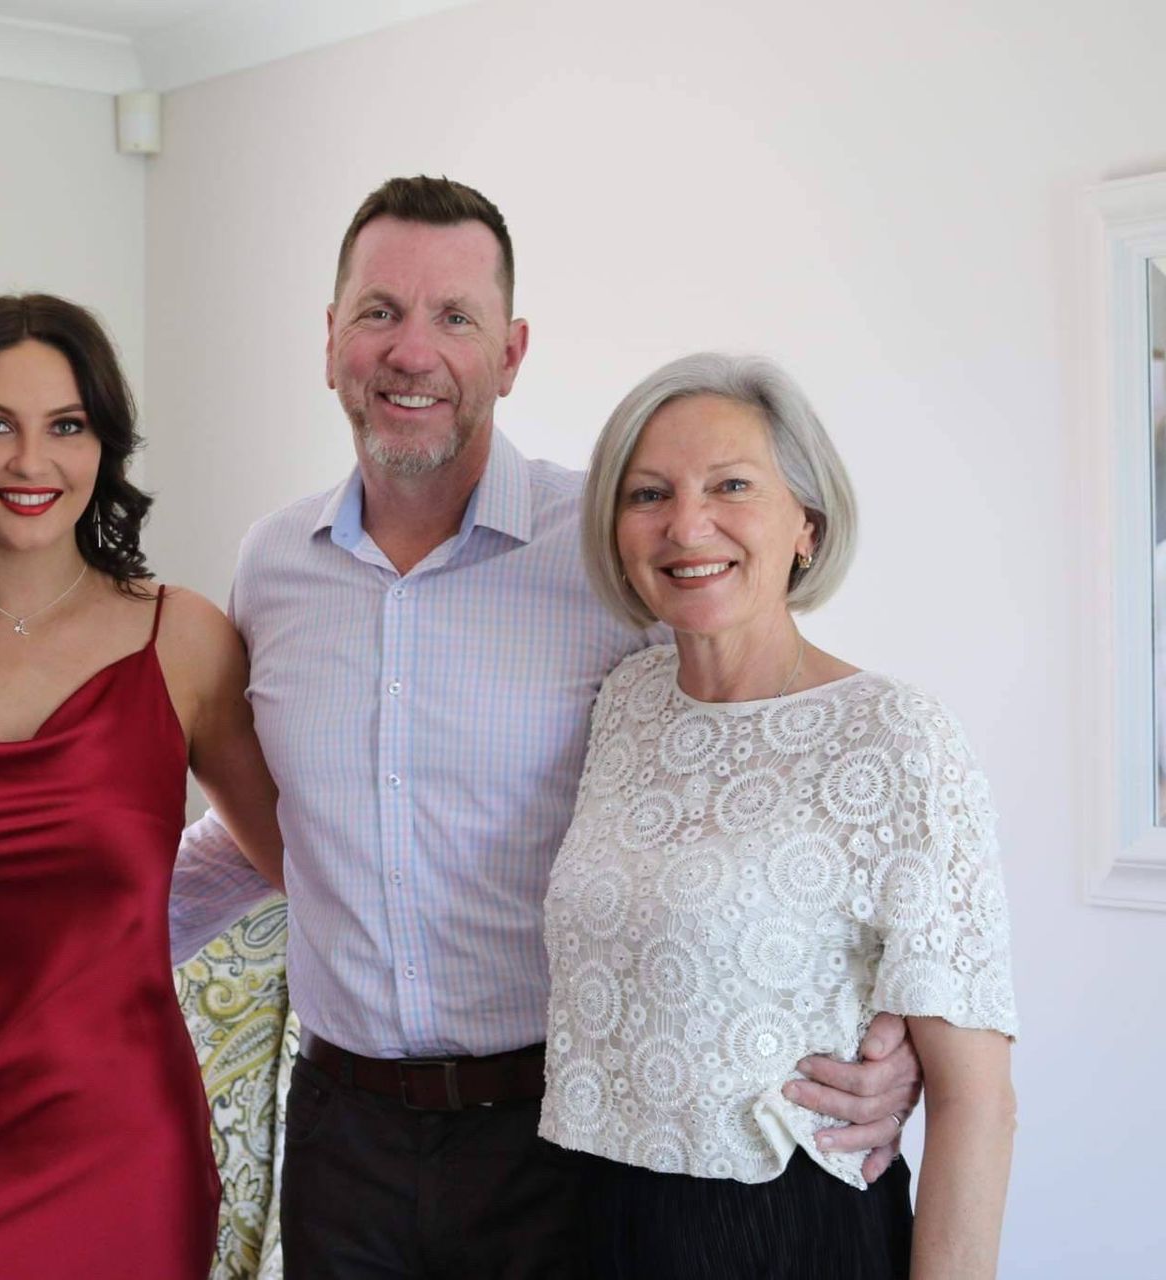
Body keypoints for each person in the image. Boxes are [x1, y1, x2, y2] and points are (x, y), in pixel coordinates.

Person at [165, 177, 929, 1279]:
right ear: (330, 340)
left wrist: (896, 1021)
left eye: (455, 317)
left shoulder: (610, 554)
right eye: (379, 312)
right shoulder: (270, 565)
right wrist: (75, 947)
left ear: (512, 352)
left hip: (557, 1130)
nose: (411, 350)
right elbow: (267, 821)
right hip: (342, 1132)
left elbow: (762, 779)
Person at [0, 294, 285, 1279]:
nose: (32, 462)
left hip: (125, 1155)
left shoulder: (187, 640)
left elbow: (299, 857)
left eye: (65, 426)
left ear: (104, 444)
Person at [539, 352, 1018, 1278]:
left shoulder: (896, 737)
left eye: (731, 485)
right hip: (594, 1220)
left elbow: (980, 1104)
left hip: (786, 1235)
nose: (687, 524)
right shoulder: (626, 703)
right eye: (648, 494)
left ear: (806, 521)